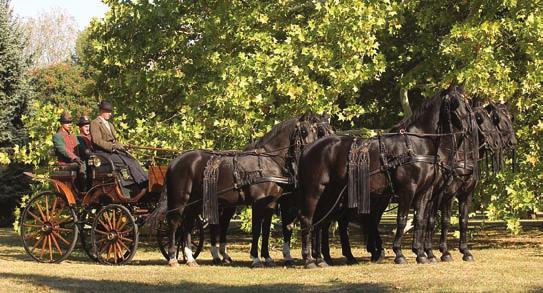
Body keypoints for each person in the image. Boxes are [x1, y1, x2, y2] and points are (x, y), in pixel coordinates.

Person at [90, 101, 148, 197]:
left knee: (132, 160)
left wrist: (122, 146)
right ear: (101, 111)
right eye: (108, 112)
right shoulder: (95, 123)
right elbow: (97, 141)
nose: (110, 114)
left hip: (113, 151)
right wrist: (112, 146)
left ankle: (143, 180)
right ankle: (135, 183)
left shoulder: (110, 125)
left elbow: (115, 140)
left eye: (110, 112)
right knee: (125, 163)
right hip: (103, 154)